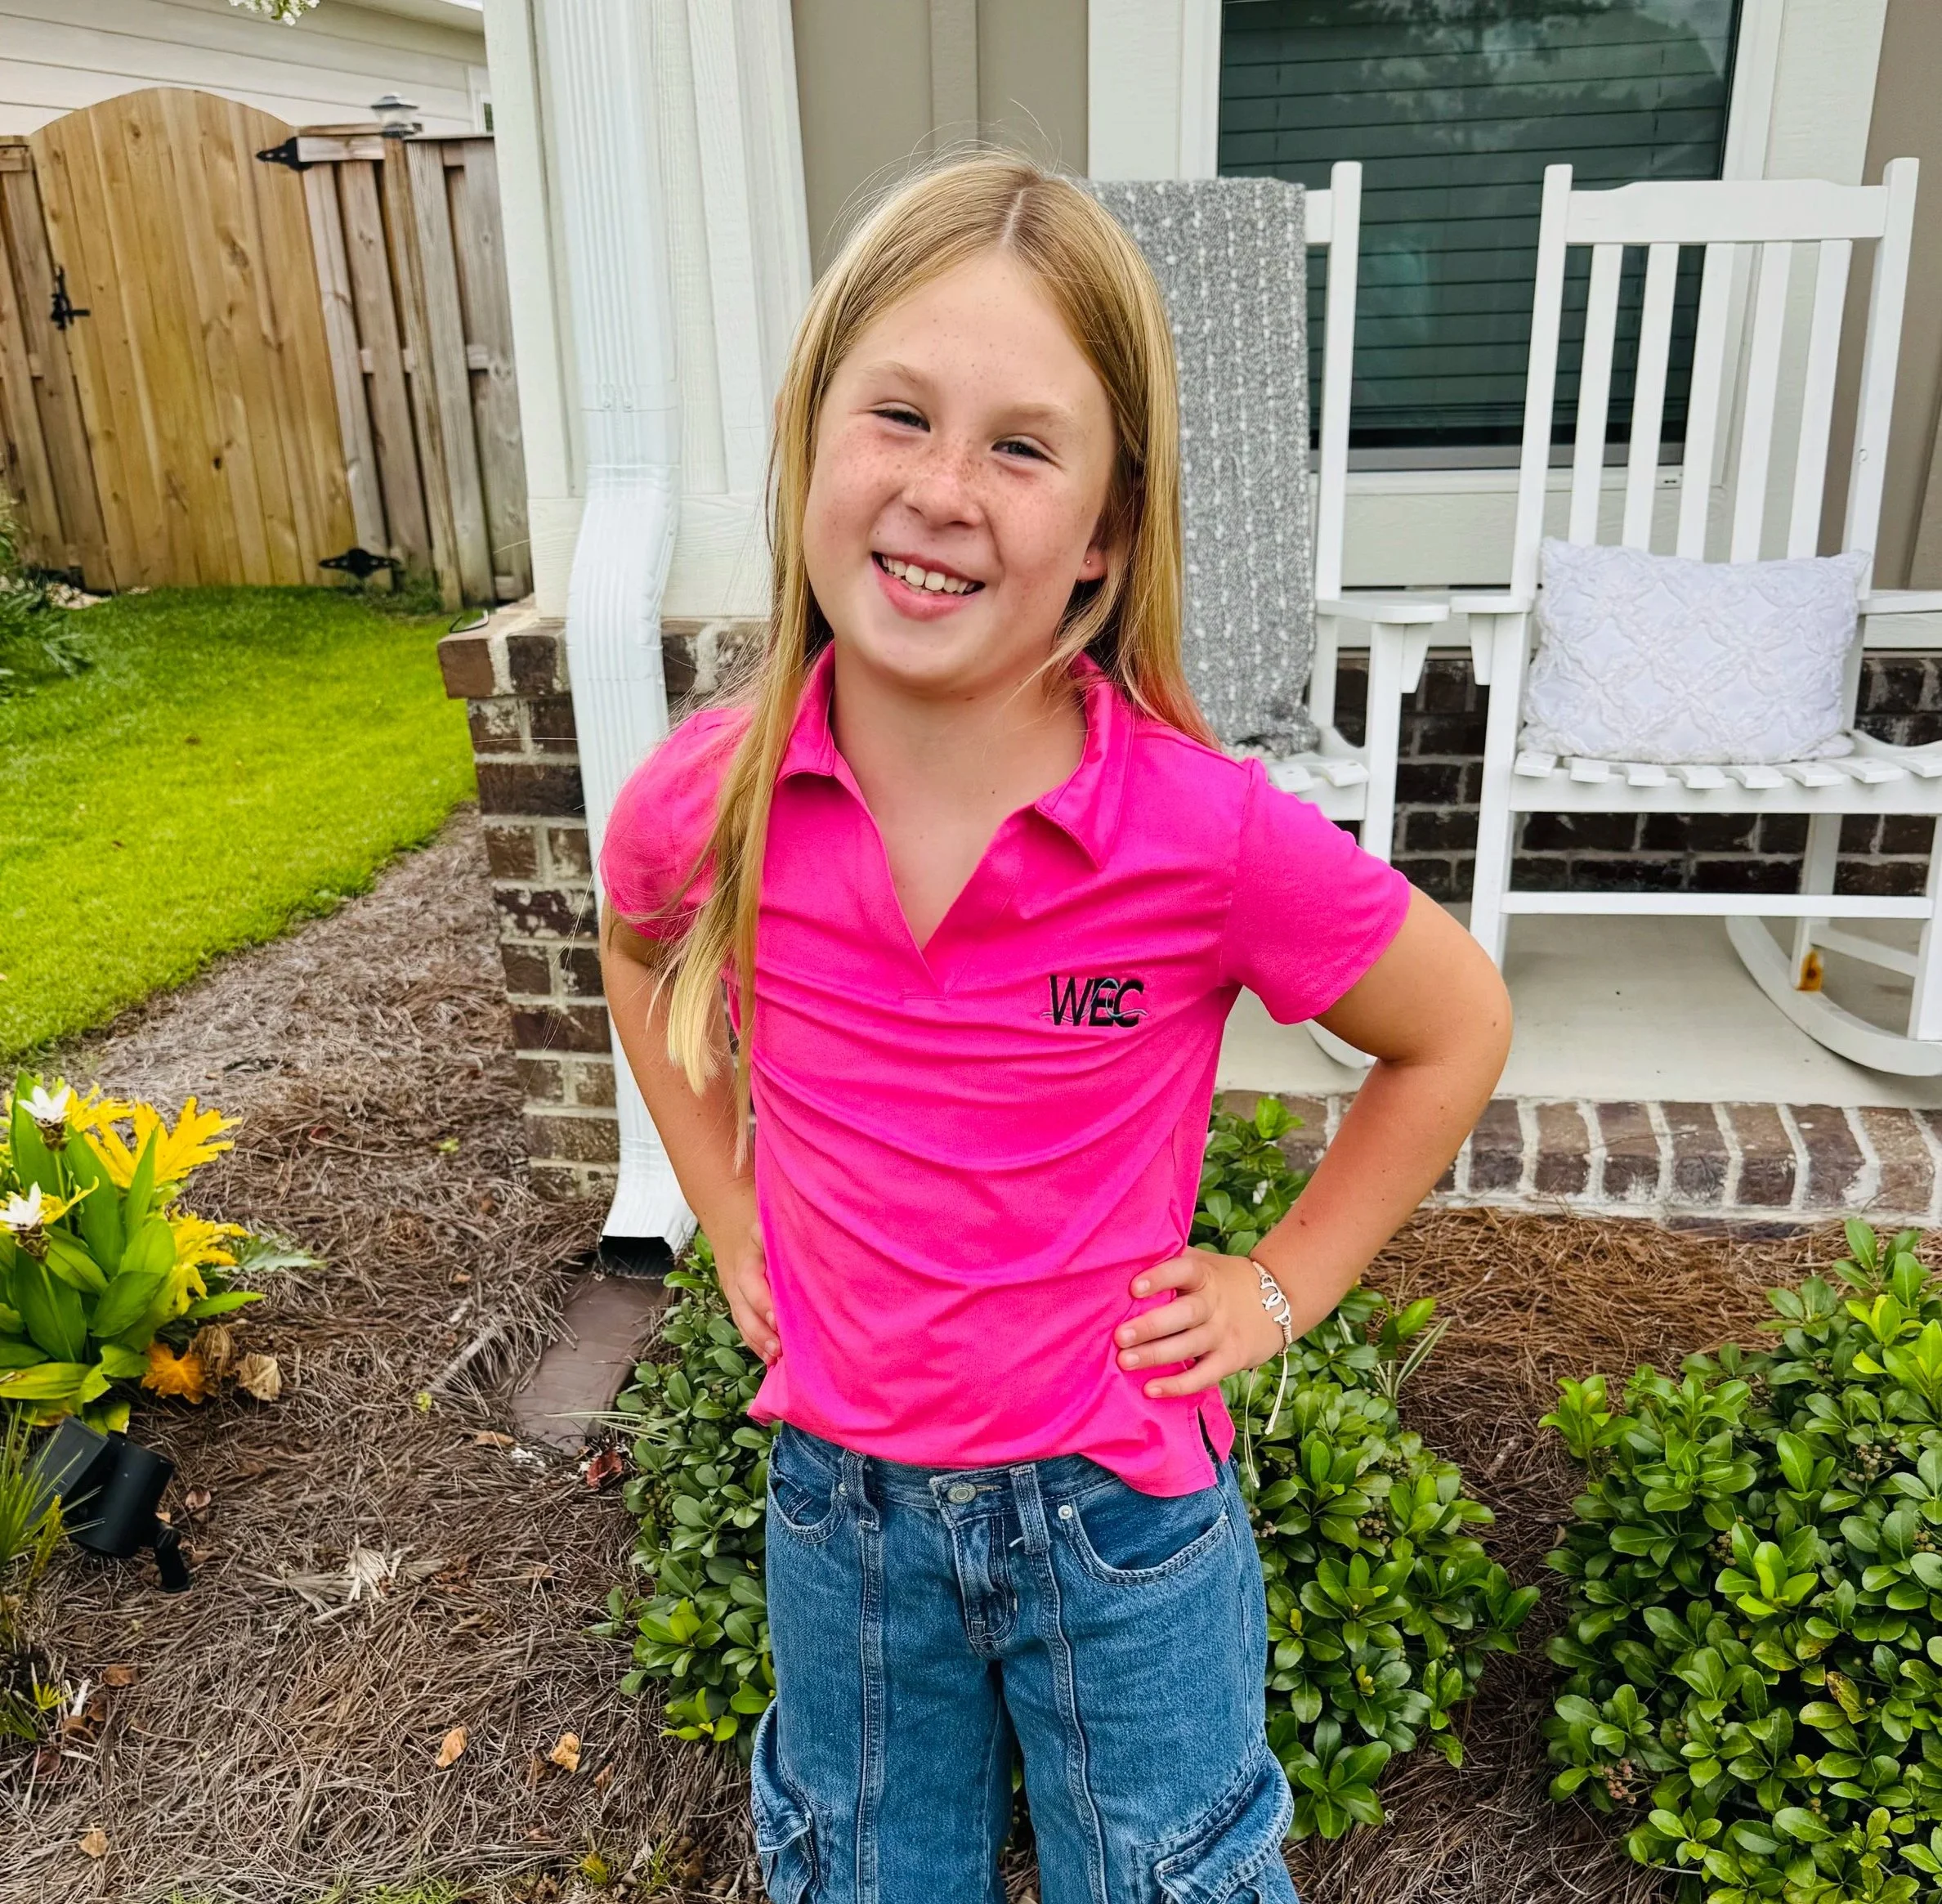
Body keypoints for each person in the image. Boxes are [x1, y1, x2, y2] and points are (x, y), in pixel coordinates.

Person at [597, 153, 1511, 1904]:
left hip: (1120, 1527)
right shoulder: (707, 802)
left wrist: (1277, 1286)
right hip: (841, 1516)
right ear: (812, 442)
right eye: (900, 417)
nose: (945, 490)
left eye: (1021, 447)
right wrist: (726, 1212)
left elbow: (1454, 1026)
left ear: (1104, 525)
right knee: (861, 1877)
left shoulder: (1205, 835)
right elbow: (641, 957)